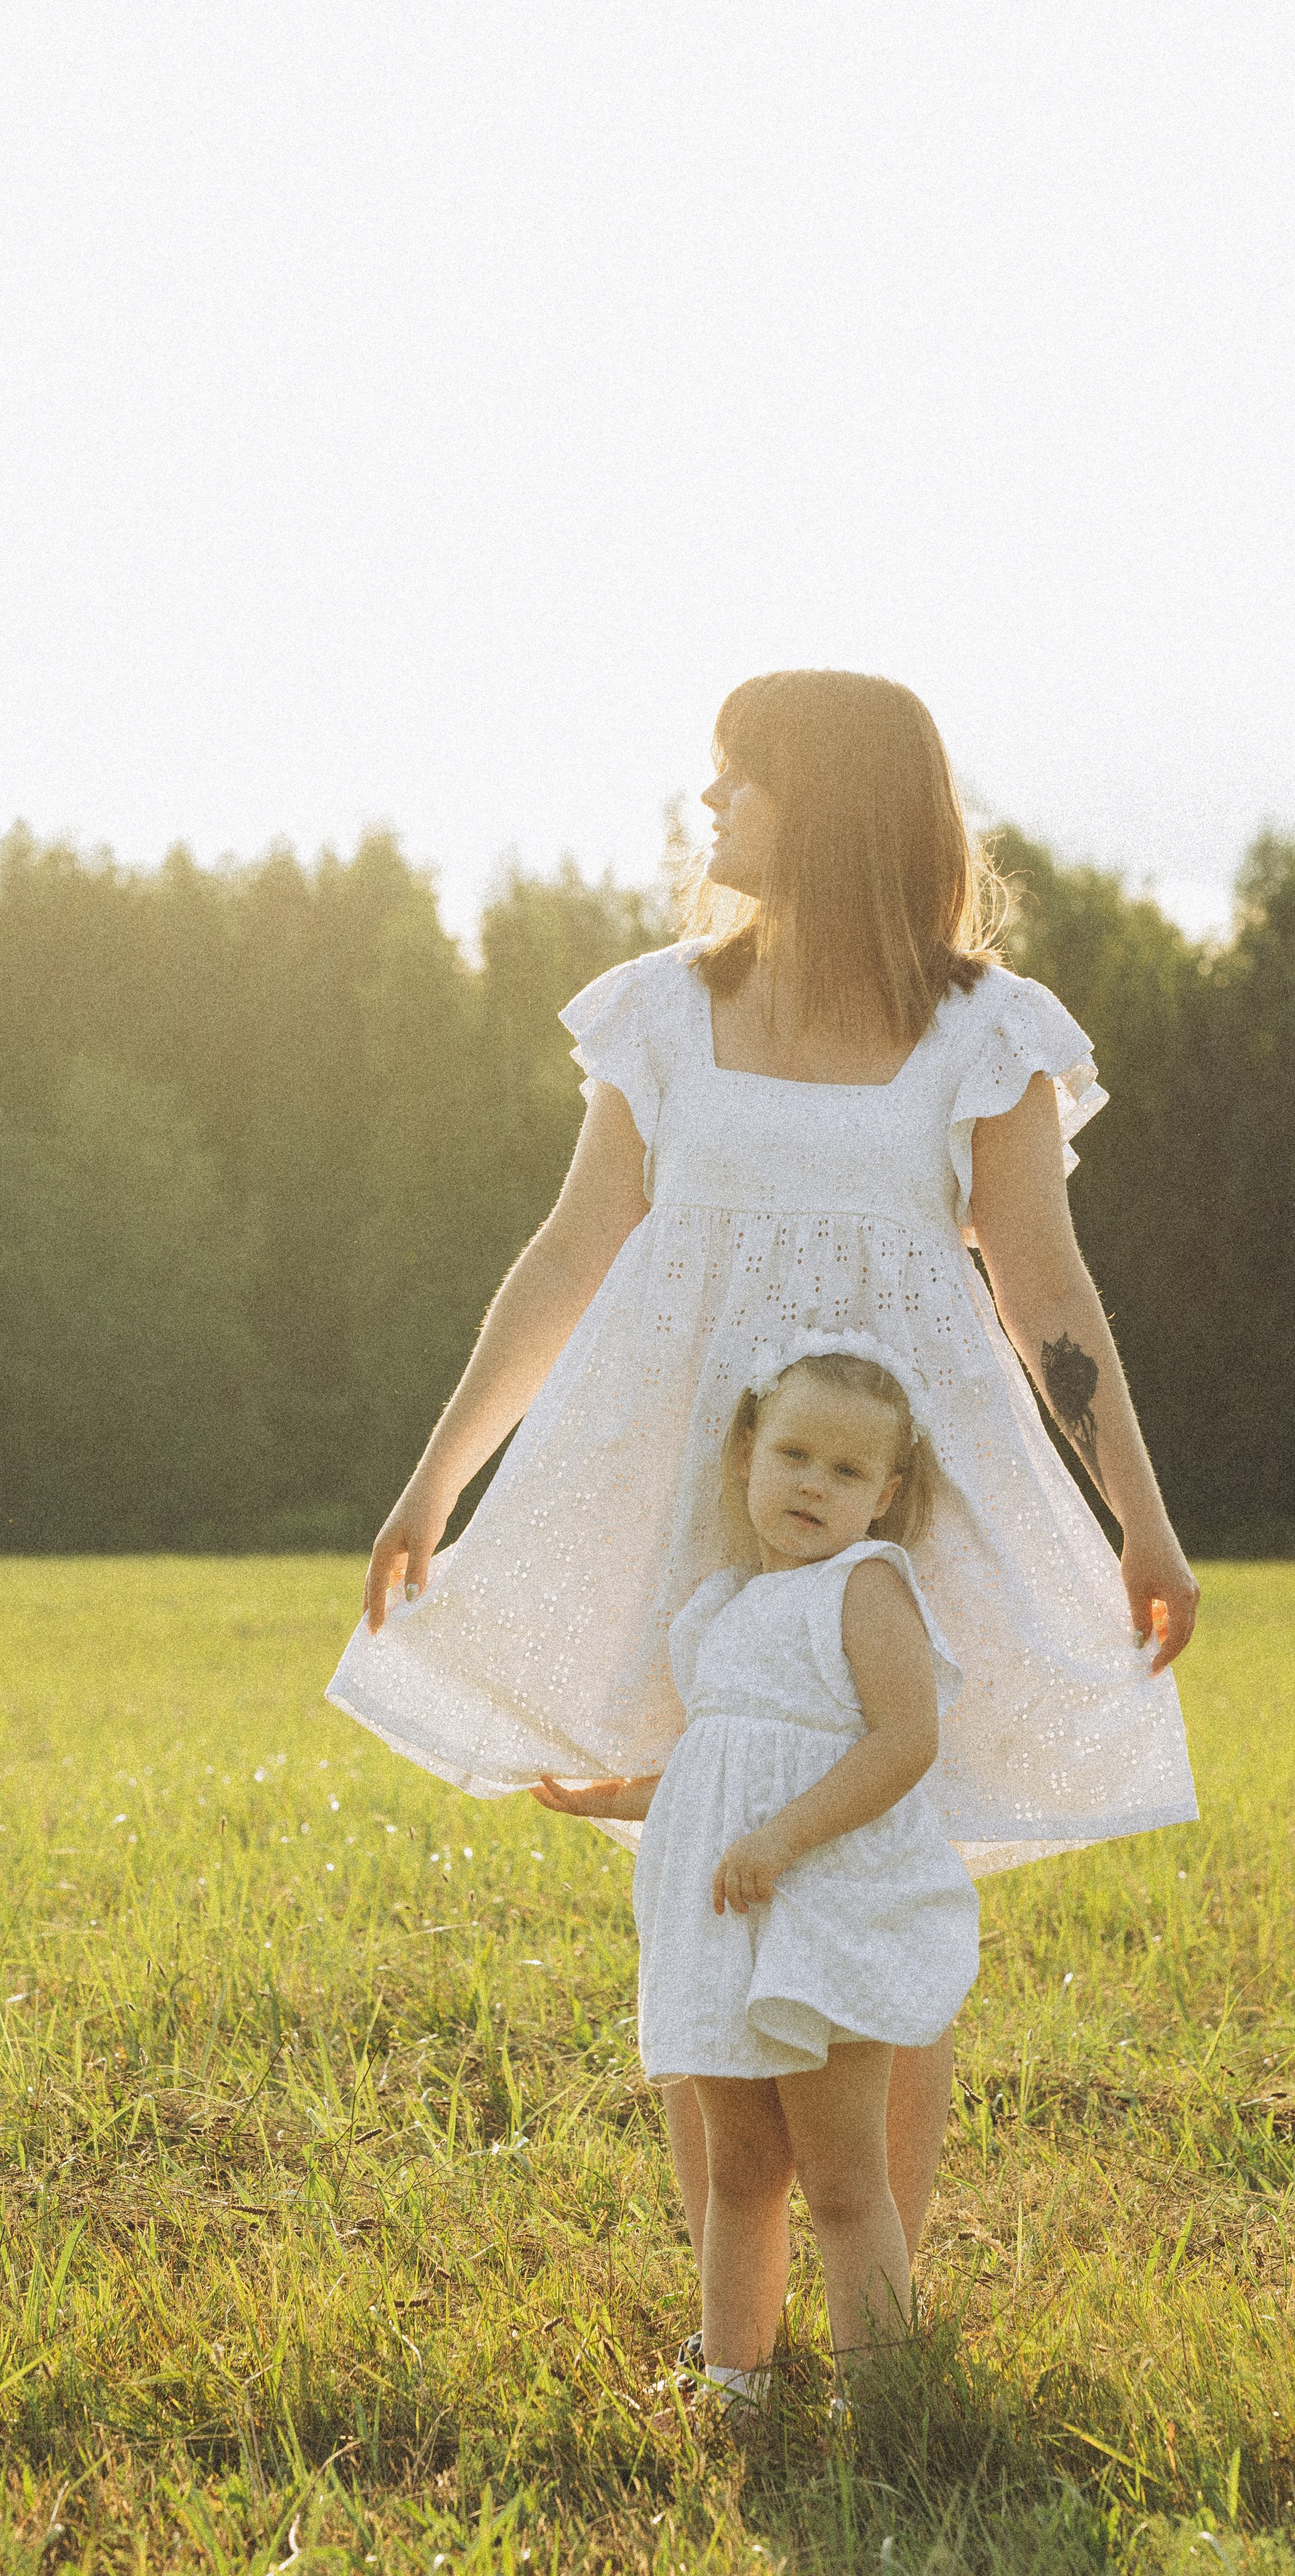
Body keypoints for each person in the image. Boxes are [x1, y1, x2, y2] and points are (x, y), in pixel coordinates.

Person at [327, 667, 1199, 2287]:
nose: (709, 802)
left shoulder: (983, 1033)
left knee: (881, 1854)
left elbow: (1049, 1296)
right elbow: (567, 1255)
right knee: (708, 1838)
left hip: (898, 1503)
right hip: (702, 1489)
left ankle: (880, 2311)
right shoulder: (659, 1010)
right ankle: (735, 2325)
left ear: (838, 807)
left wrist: (1137, 1516)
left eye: (741, 776)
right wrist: (439, 1473)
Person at [534, 1337, 979, 2397]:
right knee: (740, 2169)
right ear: (745, 1457)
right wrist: (611, 1798)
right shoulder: (721, 1610)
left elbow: (905, 1742)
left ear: (886, 1494)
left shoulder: (866, 1589)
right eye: (793, 1456)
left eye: (846, 1471)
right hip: (724, 1924)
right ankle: (736, 2388)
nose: (812, 1486)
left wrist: (784, 1838)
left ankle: (886, 2404)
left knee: (839, 2180)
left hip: (822, 1912)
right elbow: (710, 1764)